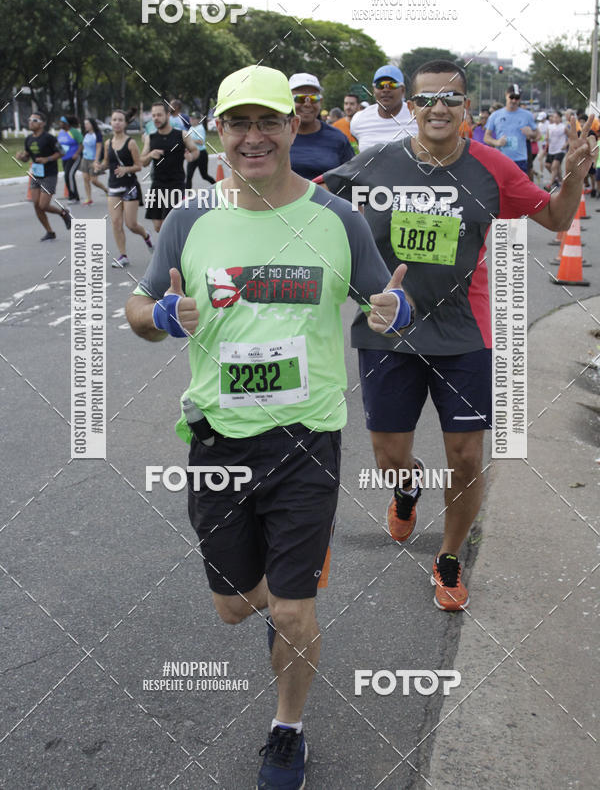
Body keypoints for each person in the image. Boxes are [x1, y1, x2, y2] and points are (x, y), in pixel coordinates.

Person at [125, 64, 409, 790]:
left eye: (268, 122)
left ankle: (287, 729)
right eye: (238, 123)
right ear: (218, 132)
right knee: (232, 609)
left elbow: (388, 298)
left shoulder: (336, 218)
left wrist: (391, 313)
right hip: (218, 442)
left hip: (306, 439)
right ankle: (286, 579)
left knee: (291, 610)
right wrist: (161, 317)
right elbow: (137, 311)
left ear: (293, 126)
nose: (254, 138)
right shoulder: (190, 219)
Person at [323, 59, 593, 612]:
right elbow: (306, 201)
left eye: (449, 99)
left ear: (466, 108)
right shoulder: (375, 164)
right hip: (388, 334)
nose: (437, 108)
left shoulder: (492, 169)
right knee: (389, 457)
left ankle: (448, 557)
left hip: (466, 335)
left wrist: (570, 179)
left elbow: (557, 221)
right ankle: (405, 489)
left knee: (466, 456)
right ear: (411, 108)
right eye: (425, 100)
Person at [94, 109, 153, 267]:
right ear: (111, 123)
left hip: (130, 187)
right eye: (114, 120)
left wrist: (126, 169)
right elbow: (107, 162)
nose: (117, 123)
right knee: (115, 222)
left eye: (120, 120)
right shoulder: (108, 143)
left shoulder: (131, 143)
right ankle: (123, 255)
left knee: (131, 224)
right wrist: (99, 167)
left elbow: (139, 166)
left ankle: (146, 236)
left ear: (125, 123)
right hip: (113, 187)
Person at [140, 100, 199, 232]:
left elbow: (195, 151)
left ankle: (171, 251)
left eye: (159, 115)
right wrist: (150, 155)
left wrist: (191, 157)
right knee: (157, 226)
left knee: (170, 224)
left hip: (176, 185)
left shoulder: (182, 135)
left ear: (167, 115)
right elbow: (142, 162)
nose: (156, 118)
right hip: (157, 185)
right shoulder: (150, 138)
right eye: (154, 115)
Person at [16, 112, 72, 240]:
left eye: (34, 120)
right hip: (36, 174)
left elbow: (61, 152)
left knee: (43, 205)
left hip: (49, 174)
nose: (31, 122)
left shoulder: (49, 138)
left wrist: (47, 159)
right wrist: (21, 157)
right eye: (29, 119)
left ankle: (63, 213)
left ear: (42, 124)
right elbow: (27, 157)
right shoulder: (29, 139)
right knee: (36, 204)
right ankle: (49, 232)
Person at [288, 73, 354, 180]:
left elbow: (351, 178)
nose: (307, 104)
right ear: (288, 100)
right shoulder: (276, 136)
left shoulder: (338, 138)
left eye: (313, 98)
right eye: (300, 98)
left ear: (321, 101)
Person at [349, 64, 417, 151]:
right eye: (380, 85)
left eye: (392, 85)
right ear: (374, 90)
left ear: (403, 90)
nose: (385, 90)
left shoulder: (416, 116)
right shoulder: (358, 119)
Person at [484, 84, 538, 172]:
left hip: (520, 160)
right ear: (506, 96)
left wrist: (531, 134)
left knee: (520, 186)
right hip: (501, 159)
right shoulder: (495, 115)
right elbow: (486, 137)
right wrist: (497, 142)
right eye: (511, 97)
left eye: (517, 98)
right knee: (501, 186)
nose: (514, 100)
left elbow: (538, 135)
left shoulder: (527, 115)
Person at [184, 112, 215, 189]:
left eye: (193, 119)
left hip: (201, 154)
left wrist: (189, 140)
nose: (191, 120)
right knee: (189, 176)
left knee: (204, 175)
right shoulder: (191, 128)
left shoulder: (200, 128)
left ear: (198, 120)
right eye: (190, 118)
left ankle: (216, 186)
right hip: (193, 154)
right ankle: (187, 196)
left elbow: (201, 142)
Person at [80, 117, 107, 204]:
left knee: (94, 180)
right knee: (85, 179)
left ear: (92, 124)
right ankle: (89, 198)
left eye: (87, 124)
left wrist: (96, 160)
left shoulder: (97, 134)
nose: (86, 126)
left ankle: (106, 190)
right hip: (85, 159)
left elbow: (99, 148)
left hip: (94, 159)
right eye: (85, 124)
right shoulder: (86, 134)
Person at [58, 115, 83, 203]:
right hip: (64, 158)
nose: (60, 124)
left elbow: (81, 143)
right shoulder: (61, 132)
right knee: (66, 176)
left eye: (62, 122)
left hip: (74, 157)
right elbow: (59, 145)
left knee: (70, 175)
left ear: (67, 123)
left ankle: (75, 197)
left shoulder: (74, 132)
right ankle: (71, 196)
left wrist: (77, 154)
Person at [544, 111, 569, 190]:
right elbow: (547, 137)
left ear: (560, 118)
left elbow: (570, 137)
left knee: (554, 166)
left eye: (556, 117)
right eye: (554, 117)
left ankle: (550, 184)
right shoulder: (550, 127)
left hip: (560, 150)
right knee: (548, 165)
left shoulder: (563, 127)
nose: (555, 119)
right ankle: (559, 180)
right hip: (551, 149)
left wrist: (566, 144)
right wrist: (546, 140)